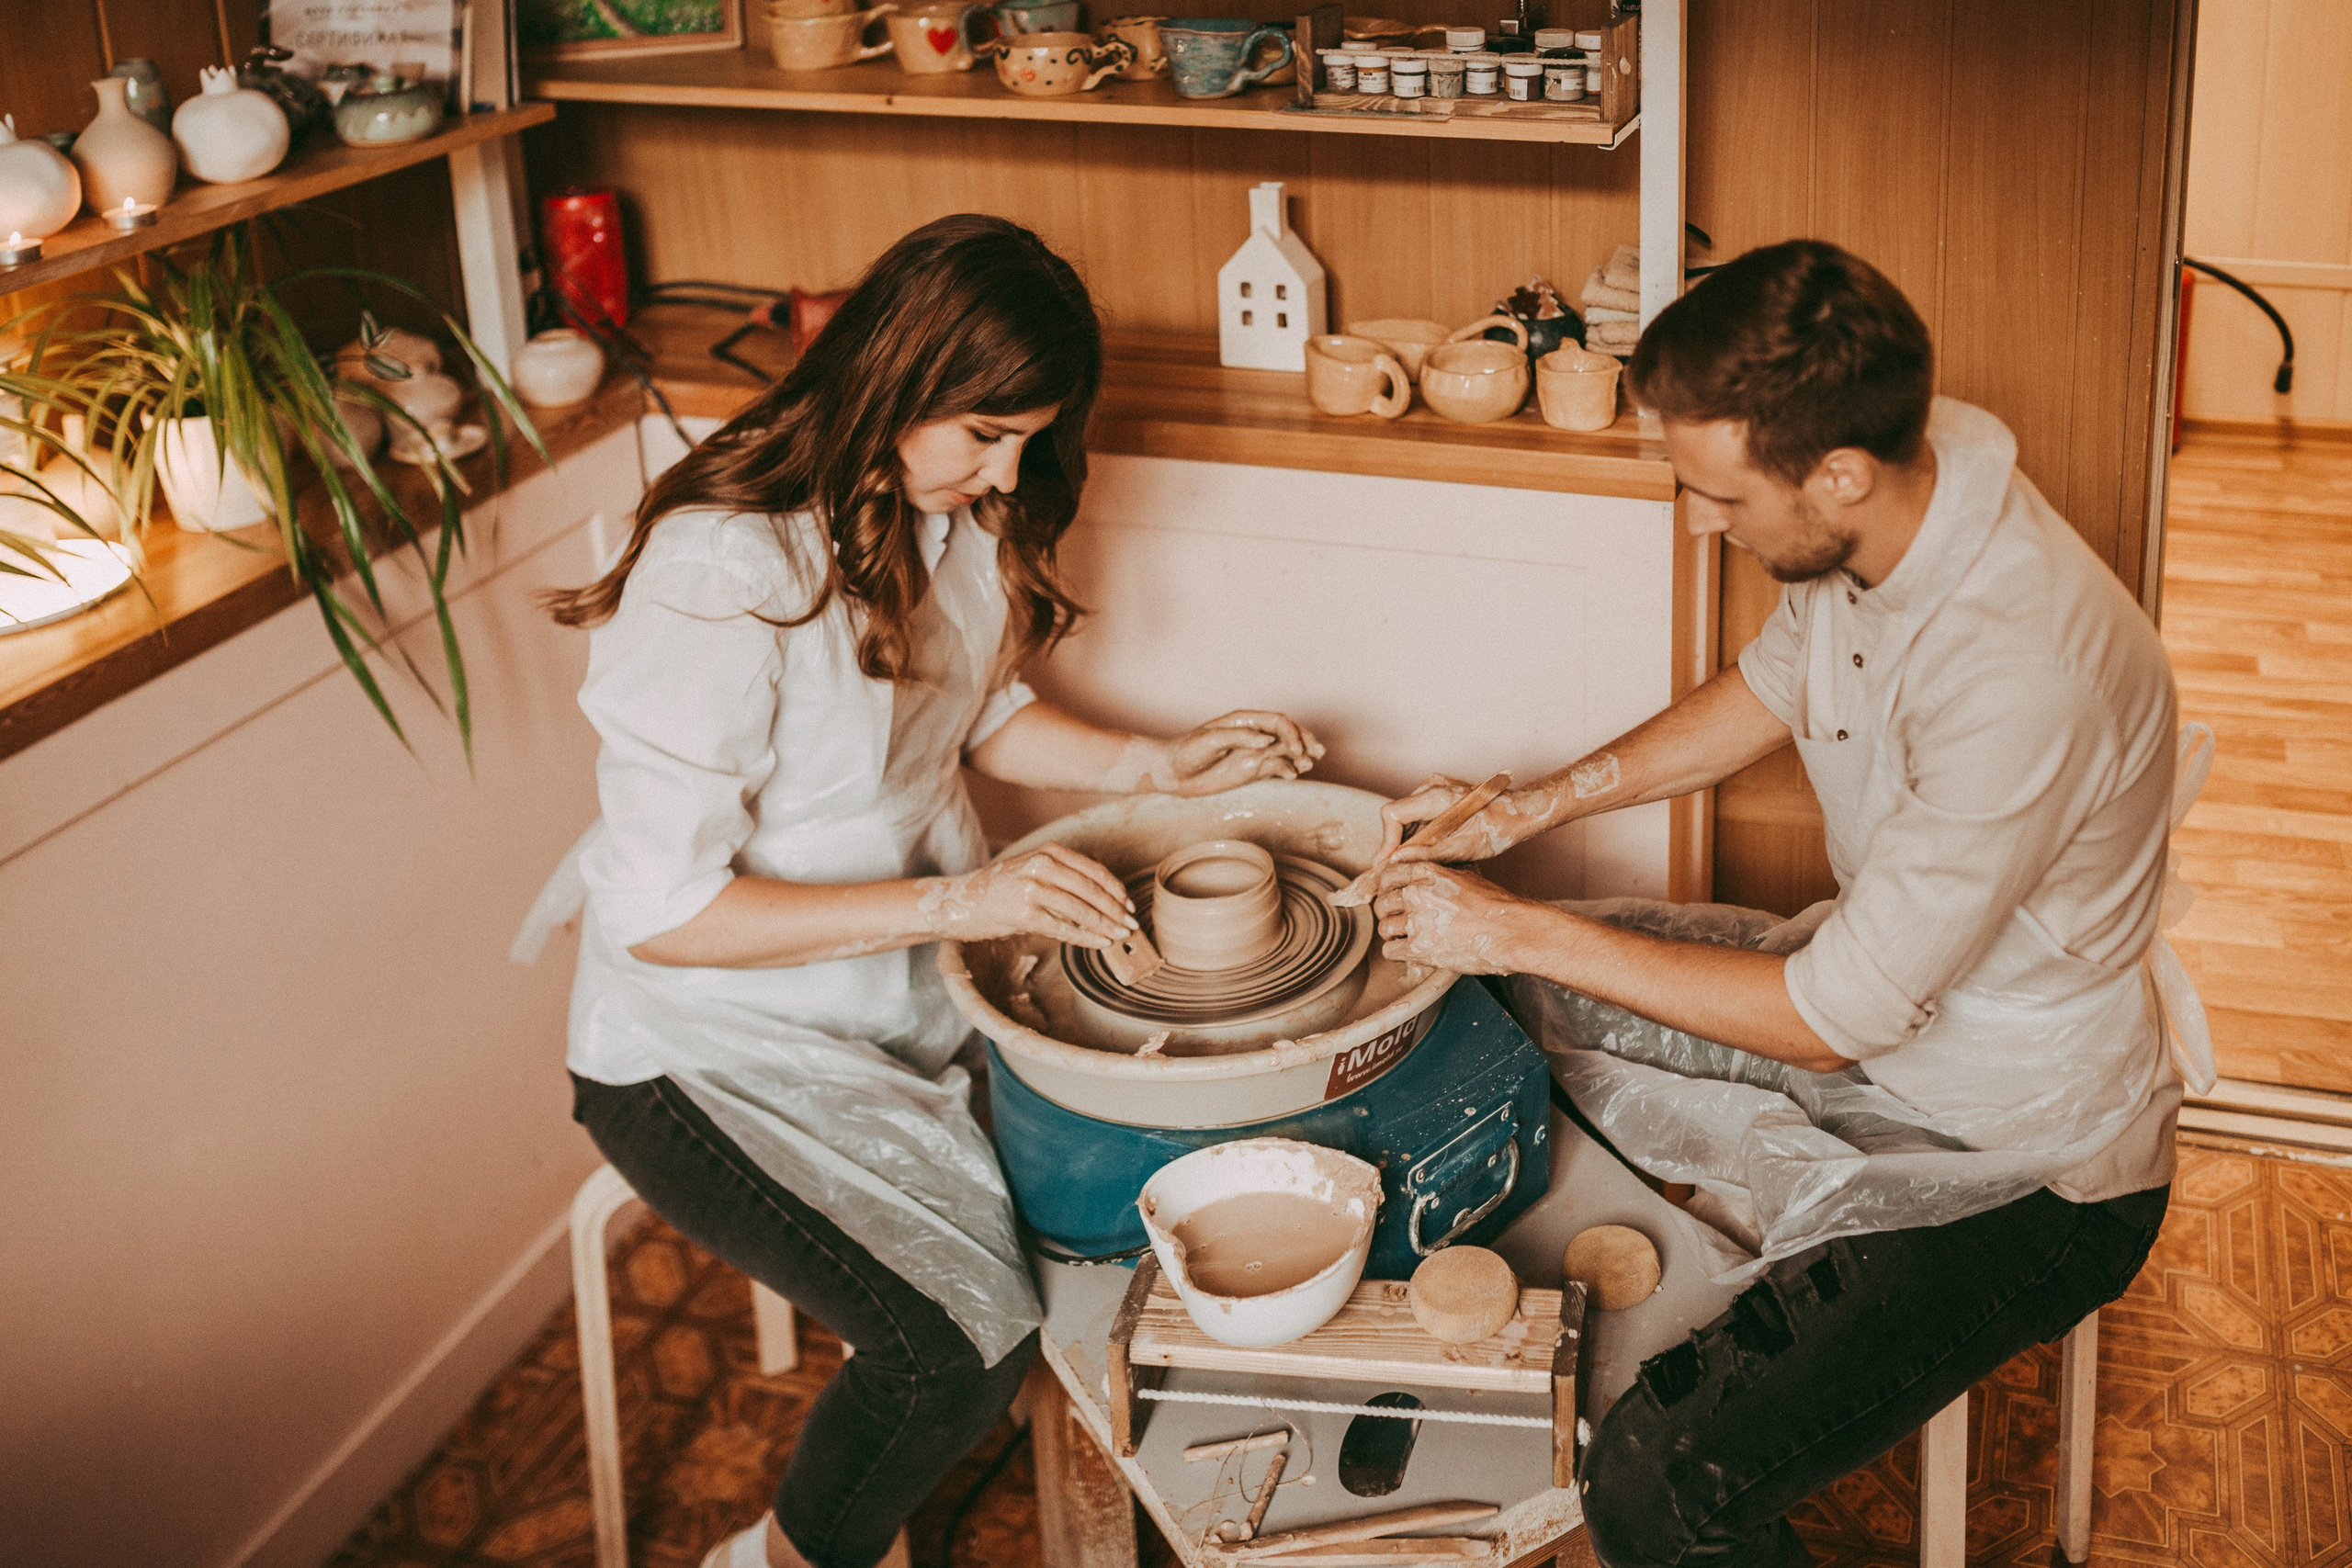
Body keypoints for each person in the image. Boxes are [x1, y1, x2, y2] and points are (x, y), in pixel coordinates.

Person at [1366, 240, 2198, 1568]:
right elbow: (1770, 687)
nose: (1701, 523)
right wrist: (1536, 805)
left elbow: (1827, 1020)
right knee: (1520, 999)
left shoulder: (2023, 671)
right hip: (1896, 1023)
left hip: (2036, 1167)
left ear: (1838, 476)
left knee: (1653, 1480)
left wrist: (1513, 918)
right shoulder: (1908, 492)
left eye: (1714, 494)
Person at [523, 214, 1323, 1568]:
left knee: (1108, 1196)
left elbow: (978, 714)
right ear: (897, 375)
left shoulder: (934, 505)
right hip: (695, 1049)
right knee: (952, 1347)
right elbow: (669, 911)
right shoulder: (728, 566)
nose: (1009, 472)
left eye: (1027, 439)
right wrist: (961, 908)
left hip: (891, 997)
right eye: (988, 433)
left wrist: (1160, 766)